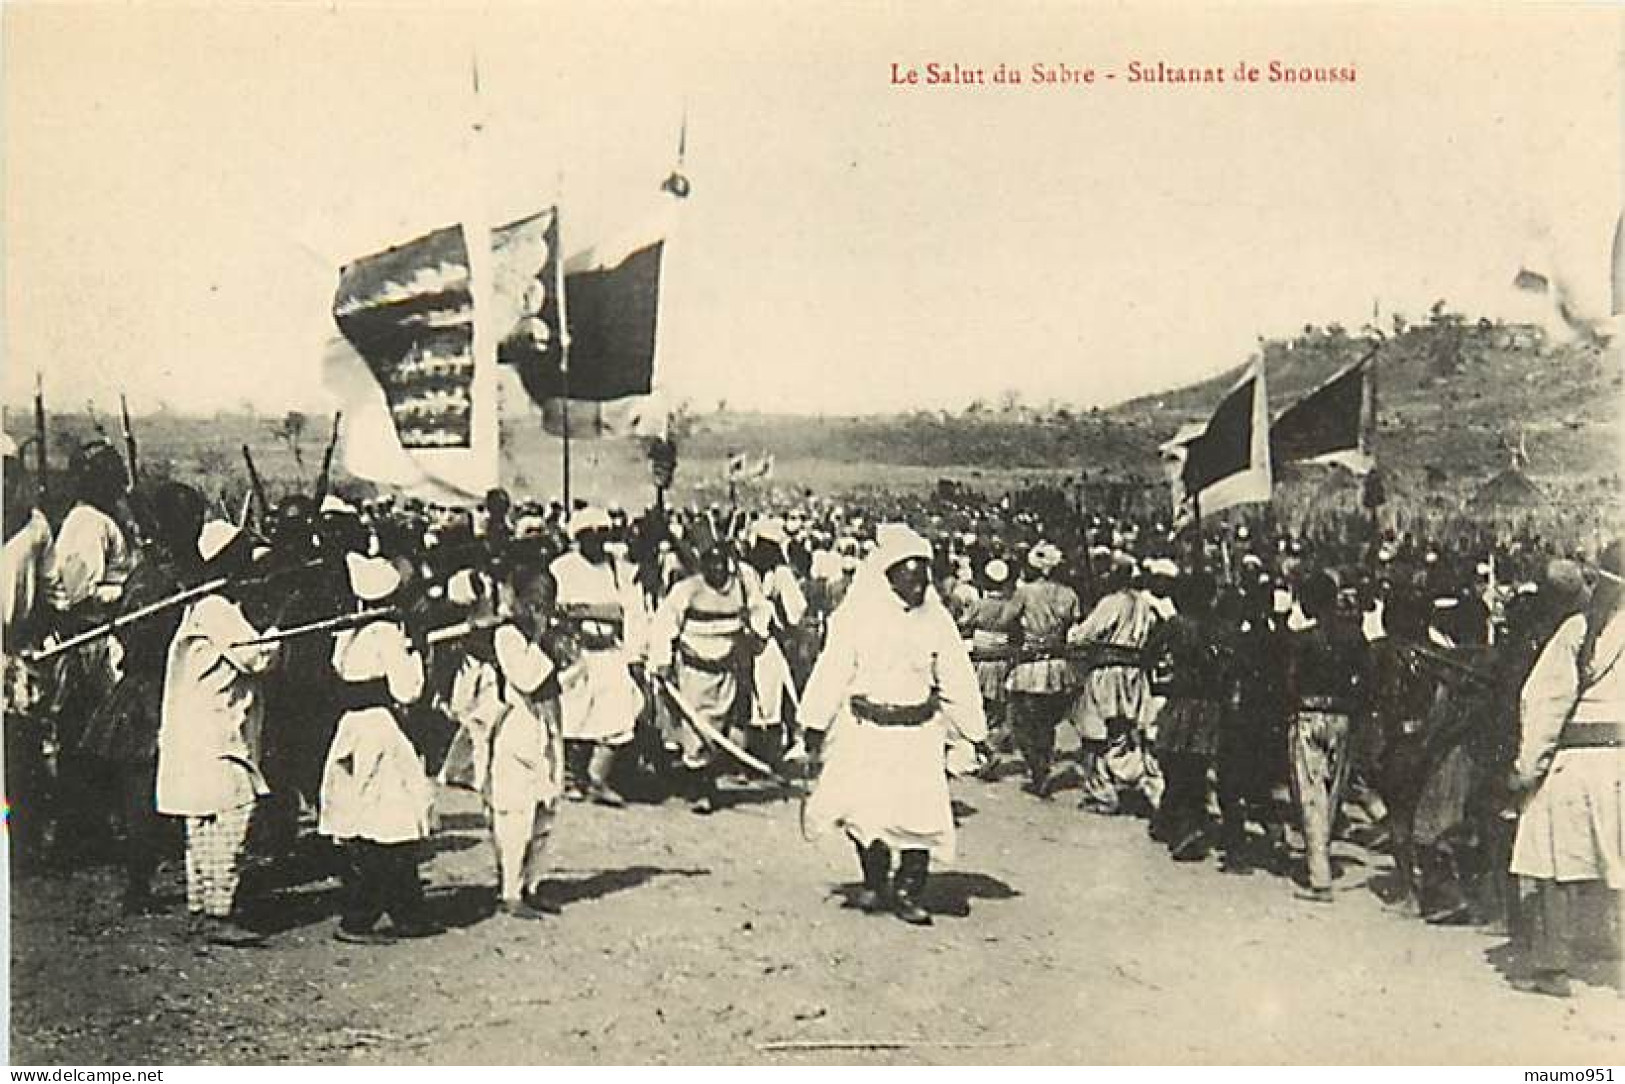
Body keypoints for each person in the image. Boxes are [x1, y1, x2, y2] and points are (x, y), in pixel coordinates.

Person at [800, 524, 987, 926]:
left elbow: (956, 675)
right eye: (909, 572)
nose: (918, 582)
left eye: (924, 575)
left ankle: (907, 889)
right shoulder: (855, 618)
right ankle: (874, 878)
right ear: (887, 573)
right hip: (866, 733)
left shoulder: (936, 622)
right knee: (866, 812)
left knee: (918, 815)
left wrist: (972, 731)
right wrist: (814, 724)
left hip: (918, 736)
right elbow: (832, 669)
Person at [80, 482, 206, 913]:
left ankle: (169, 877)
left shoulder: (168, 572)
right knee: (142, 786)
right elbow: (137, 633)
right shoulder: (161, 575)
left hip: (164, 682)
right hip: (152, 689)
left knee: (153, 786)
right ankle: (140, 883)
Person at [1507, 543, 1625, 997]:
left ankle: (1553, 968)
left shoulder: (1580, 630)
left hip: (1581, 760)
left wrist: (1527, 767)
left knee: (1552, 852)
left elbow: (1545, 701)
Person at [154, 524, 280, 946]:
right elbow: (257, 658)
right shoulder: (217, 611)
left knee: (203, 822)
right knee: (230, 817)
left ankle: (203, 907)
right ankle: (219, 910)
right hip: (214, 734)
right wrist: (275, 627)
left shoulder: (205, 607)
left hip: (200, 731)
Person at [318, 554, 441, 944]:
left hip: (352, 728)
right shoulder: (388, 635)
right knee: (388, 825)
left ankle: (410, 912)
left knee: (383, 822)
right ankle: (359, 918)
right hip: (382, 731)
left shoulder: (347, 633)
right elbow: (409, 690)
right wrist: (415, 651)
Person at [446, 559, 569, 920]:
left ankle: (533, 884)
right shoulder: (507, 635)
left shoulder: (536, 634)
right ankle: (510, 892)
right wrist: (548, 643)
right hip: (513, 729)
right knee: (514, 813)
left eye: (547, 599)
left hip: (544, 730)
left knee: (545, 811)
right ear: (520, 601)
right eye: (535, 600)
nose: (541, 607)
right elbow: (533, 681)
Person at [647, 528, 773, 813]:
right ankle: (700, 789)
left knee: (722, 731)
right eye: (710, 562)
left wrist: (756, 632)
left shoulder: (742, 585)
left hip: (727, 670)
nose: (716, 568)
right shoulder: (688, 589)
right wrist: (662, 660)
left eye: (721, 562)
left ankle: (705, 780)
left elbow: (760, 609)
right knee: (697, 731)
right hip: (694, 673)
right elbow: (664, 624)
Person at [549, 507, 647, 806]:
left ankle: (597, 777)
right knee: (574, 714)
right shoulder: (561, 568)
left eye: (601, 535)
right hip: (576, 651)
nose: (596, 541)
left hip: (610, 652)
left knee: (622, 711)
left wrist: (635, 652)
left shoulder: (618, 568)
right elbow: (552, 608)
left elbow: (632, 610)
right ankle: (571, 778)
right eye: (589, 535)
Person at [1284, 570, 1370, 903]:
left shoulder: (1304, 640)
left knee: (1310, 793)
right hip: (1343, 716)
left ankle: (1319, 877)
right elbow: (1366, 681)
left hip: (1307, 715)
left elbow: (1290, 682)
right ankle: (1323, 858)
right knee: (1335, 792)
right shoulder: (1355, 637)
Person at [2, 433, 55, 870]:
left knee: (18, 752)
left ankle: (21, 843)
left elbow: (54, 592)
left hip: (15, 650)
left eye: (6, 471)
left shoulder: (34, 526)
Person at [1004, 542, 1081, 797]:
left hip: (1031, 663)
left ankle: (1037, 768)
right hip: (1057, 663)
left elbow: (1006, 620)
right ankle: (1043, 766)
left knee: (1024, 720)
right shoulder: (1070, 594)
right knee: (1047, 721)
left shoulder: (1025, 593)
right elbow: (1074, 626)